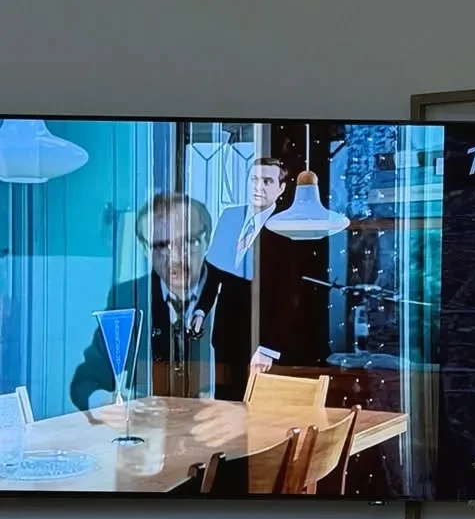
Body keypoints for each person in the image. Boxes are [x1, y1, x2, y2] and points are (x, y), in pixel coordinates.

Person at [70, 194, 215, 412]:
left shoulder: (239, 298)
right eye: (161, 246)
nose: (176, 257)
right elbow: (87, 380)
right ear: (145, 249)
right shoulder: (127, 297)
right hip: (146, 430)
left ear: (207, 240)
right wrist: (105, 402)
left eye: (188, 242)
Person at [189, 156, 302, 399]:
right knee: (225, 403)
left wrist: (269, 347)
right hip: (226, 332)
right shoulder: (230, 217)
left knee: (255, 406)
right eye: (254, 180)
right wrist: (200, 310)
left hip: (262, 337)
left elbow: (287, 294)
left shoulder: (286, 226)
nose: (258, 187)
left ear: (281, 188)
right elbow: (213, 270)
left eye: (267, 181)